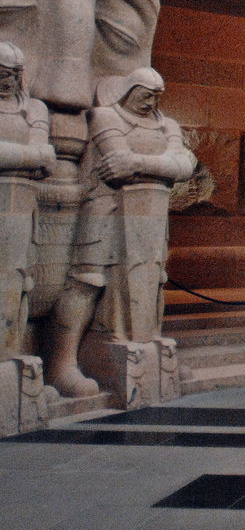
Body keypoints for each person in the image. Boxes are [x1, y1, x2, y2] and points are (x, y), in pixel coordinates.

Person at [47, 68, 196, 397]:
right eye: (145, 93)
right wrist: (161, 165)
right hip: (105, 213)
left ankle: (146, 348)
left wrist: (140, 164)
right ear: (129, 90)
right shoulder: (104, 116)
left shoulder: (166, 124)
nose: (151, 101)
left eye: (157, 95)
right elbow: (117, 158)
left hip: (150, 216)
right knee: (86, 282)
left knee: (152, 277)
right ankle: (62, 363)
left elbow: (184, 165)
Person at [0, 42, 55, 359]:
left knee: (17, 280)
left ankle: (10, 350)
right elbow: (37, 155)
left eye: (11, 75)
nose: (6, 82)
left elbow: (47, 158)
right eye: (1, 74)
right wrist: (29, 156)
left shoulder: (34, 109)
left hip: (22, 207)